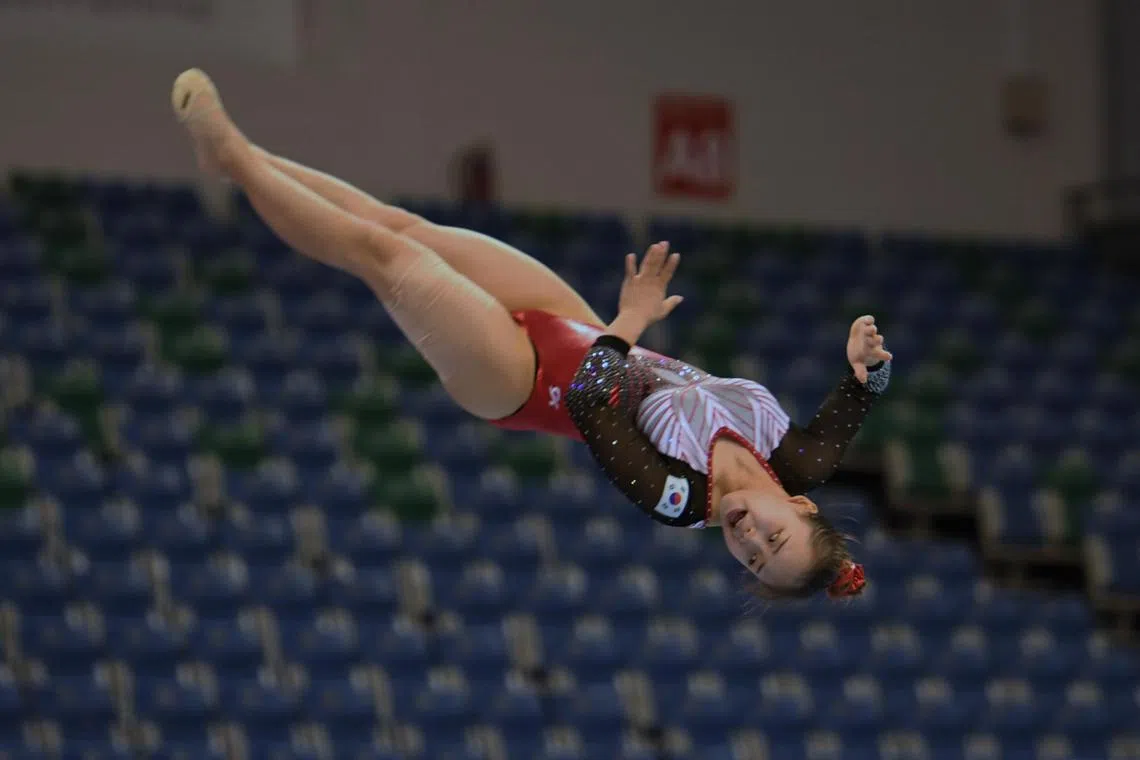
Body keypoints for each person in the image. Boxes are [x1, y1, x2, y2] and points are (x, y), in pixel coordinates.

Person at [170, 69, 892, 602]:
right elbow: (854, 403)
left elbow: (587, 403)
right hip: (575, 323)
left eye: (754, 561)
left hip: (519, 382)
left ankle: (231, 158)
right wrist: (868, 366)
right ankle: (247, 159)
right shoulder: (800, 458)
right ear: (799, 506)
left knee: (383, 257)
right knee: (400, 226)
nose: (750, 539)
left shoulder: (679, 498)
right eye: (775, 538)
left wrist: (632, 320)